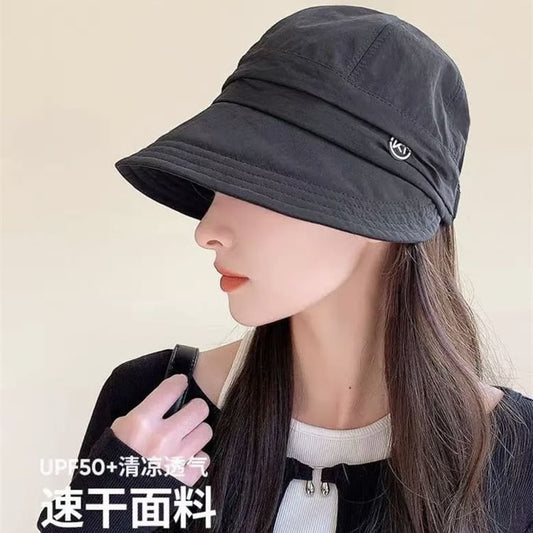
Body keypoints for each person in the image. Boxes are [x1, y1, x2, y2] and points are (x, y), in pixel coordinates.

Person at [37, 5, 533, 533]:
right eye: (218, 183)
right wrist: (108, 512)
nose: (206, 230)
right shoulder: (151, 409)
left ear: (376, 214)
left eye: (254, 184)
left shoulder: (517, 459)